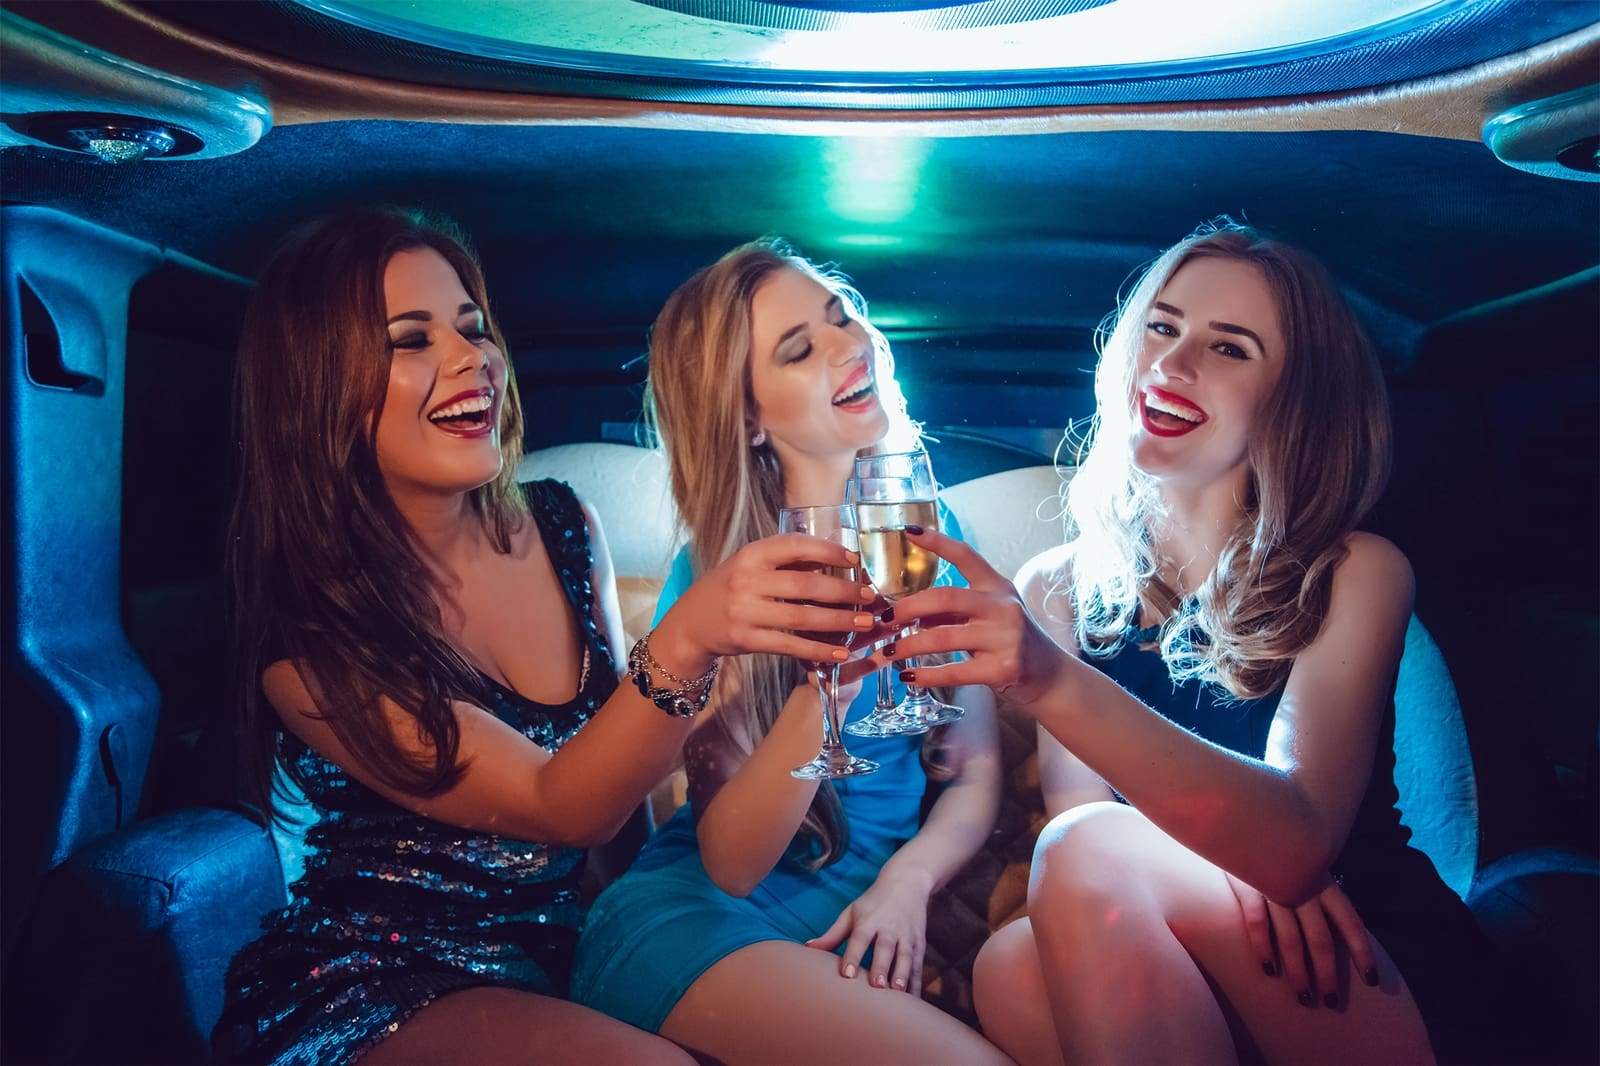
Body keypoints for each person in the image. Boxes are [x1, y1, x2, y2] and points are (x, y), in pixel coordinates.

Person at [213, 210, 866, 1065]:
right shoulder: (312, 648)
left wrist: (632, 940)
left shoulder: (560, 524)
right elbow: (563, 807)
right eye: (413, 340)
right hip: (382, 980)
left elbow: (620, 793)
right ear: (319, 388)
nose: (472, 359)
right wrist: (692, 635)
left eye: (473, 327)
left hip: (558, 960)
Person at [886, 220, 1497, 1064]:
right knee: (1011, 964)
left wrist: (1048, 677)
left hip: (1356, 949)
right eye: (1162, 328)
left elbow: (1296, 845)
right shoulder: (1057, 588)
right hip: (1190, 952)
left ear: (1294, 400)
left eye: (1229, 348)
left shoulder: (1356, 570)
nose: (1172, 363)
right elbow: (1085, 817)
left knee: (1089, 849)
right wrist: (1233, 863)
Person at [570, 239, 1009, 1065]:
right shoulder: (721, 579)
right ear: (747, 418)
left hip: (842, 925)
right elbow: (730, 864)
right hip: (694, 922)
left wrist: (908, 882)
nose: (849, 345)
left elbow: (975, 772)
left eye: (842, 318)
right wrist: (827, 693)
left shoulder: (932, 532)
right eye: (800, 349)